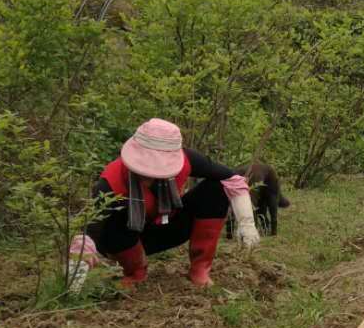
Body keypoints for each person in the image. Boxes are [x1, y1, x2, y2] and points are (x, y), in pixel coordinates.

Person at [72, 118, 258, 290]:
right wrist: (76, 270)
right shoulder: (110, 181)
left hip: (166, 227)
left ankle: (200, 268)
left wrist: (246, 222)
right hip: (123, 240)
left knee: (216, 188)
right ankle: (135, 272)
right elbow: (91, 230)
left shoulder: (187, 160)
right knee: (116, 216)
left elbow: (231, 178)